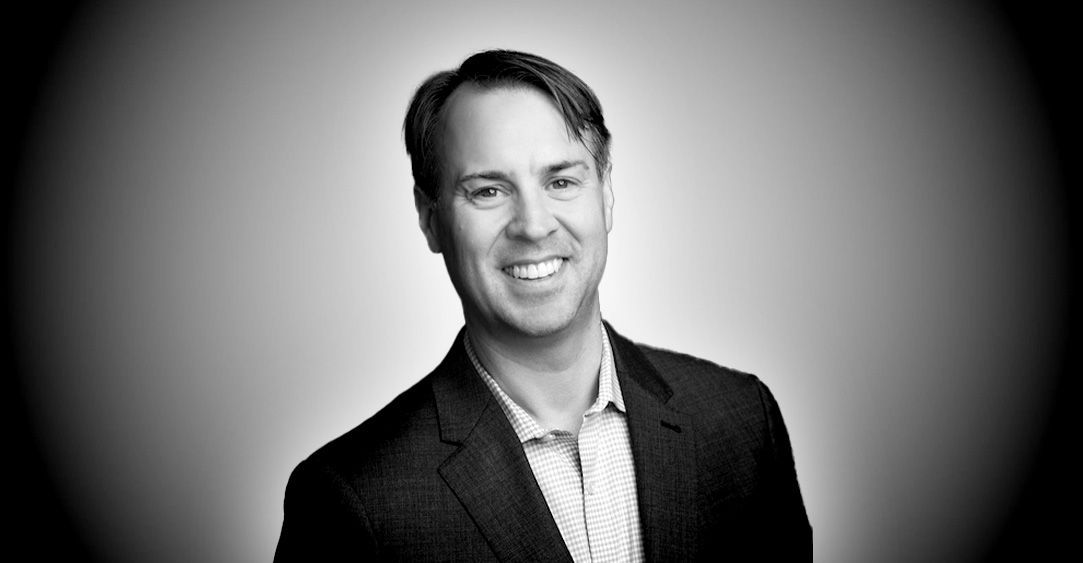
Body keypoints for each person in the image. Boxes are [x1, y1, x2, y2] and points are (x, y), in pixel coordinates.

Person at [274, 49, 811, 562]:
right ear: (430, 217)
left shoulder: (741, 421)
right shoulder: (354, 497)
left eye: (561, 180)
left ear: (604, 194)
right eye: (488, 191)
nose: (533, 225)